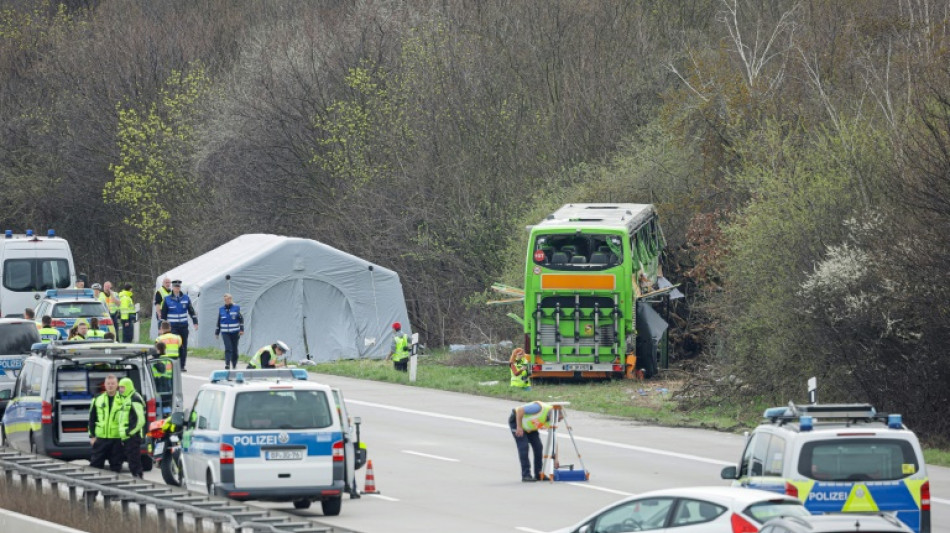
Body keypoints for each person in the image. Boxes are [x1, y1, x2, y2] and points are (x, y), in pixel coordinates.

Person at [509, 401, 560, 482]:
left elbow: (554, 439)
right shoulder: (539, 408)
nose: (557, 421)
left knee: (538, 447)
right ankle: (526, 475)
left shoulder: (551, 420)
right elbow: (520, 410)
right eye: (558, 419)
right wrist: (519, 427)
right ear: (554, 414)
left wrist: (556, 459)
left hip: (530, 426)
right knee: (524, 446)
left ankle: (539, 474)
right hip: (517, 421)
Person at [88, 374, 122, 472]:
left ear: (117, 385)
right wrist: (92, 436)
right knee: (95, 466)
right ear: (105, 385)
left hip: (117, 439)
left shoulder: (123, 400)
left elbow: (128, 420)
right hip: (100, 439)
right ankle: (95, 487)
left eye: (113, 383)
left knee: (116, 467)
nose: (110, 385)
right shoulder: (97, 399)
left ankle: (114, 487)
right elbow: (92, 418)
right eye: (108, 383)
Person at [161, 280, 197, 372]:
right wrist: (162, 328)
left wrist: (195, 322)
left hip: (183, 326)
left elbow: (191, 311)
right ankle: (174, 364)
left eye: (178, 287)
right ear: (172, 288)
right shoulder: (167, 299)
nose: (177, 289)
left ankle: (182, 365)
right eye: (175, 287)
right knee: (174, 346)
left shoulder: (186, 298)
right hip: (173, 327)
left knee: (183, 346)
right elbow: (163, 315)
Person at [116, 377, 146, 478]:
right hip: (127, 435)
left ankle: (138, 478)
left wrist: (130, 432)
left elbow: (140, 419)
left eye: (123, 388)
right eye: (120, 387)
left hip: (133, 436)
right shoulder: (127, 398)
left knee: (134, 460)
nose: (120, 390)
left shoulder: (134, 398)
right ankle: (137, 476)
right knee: (130, 459)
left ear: (128, 387)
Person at [215, 293, 244, 370]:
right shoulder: (221, 309)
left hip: (235, 332)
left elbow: (241, 319)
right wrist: (217, 332)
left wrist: (241, 329)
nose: (226, 301)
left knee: (234, 349)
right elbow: (219, 321)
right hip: (225, 333)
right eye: (225, 300)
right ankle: (227, 364)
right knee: (228, 348)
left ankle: (234, 364)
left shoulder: (236, 308)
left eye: (227, 299)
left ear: (231, 299)